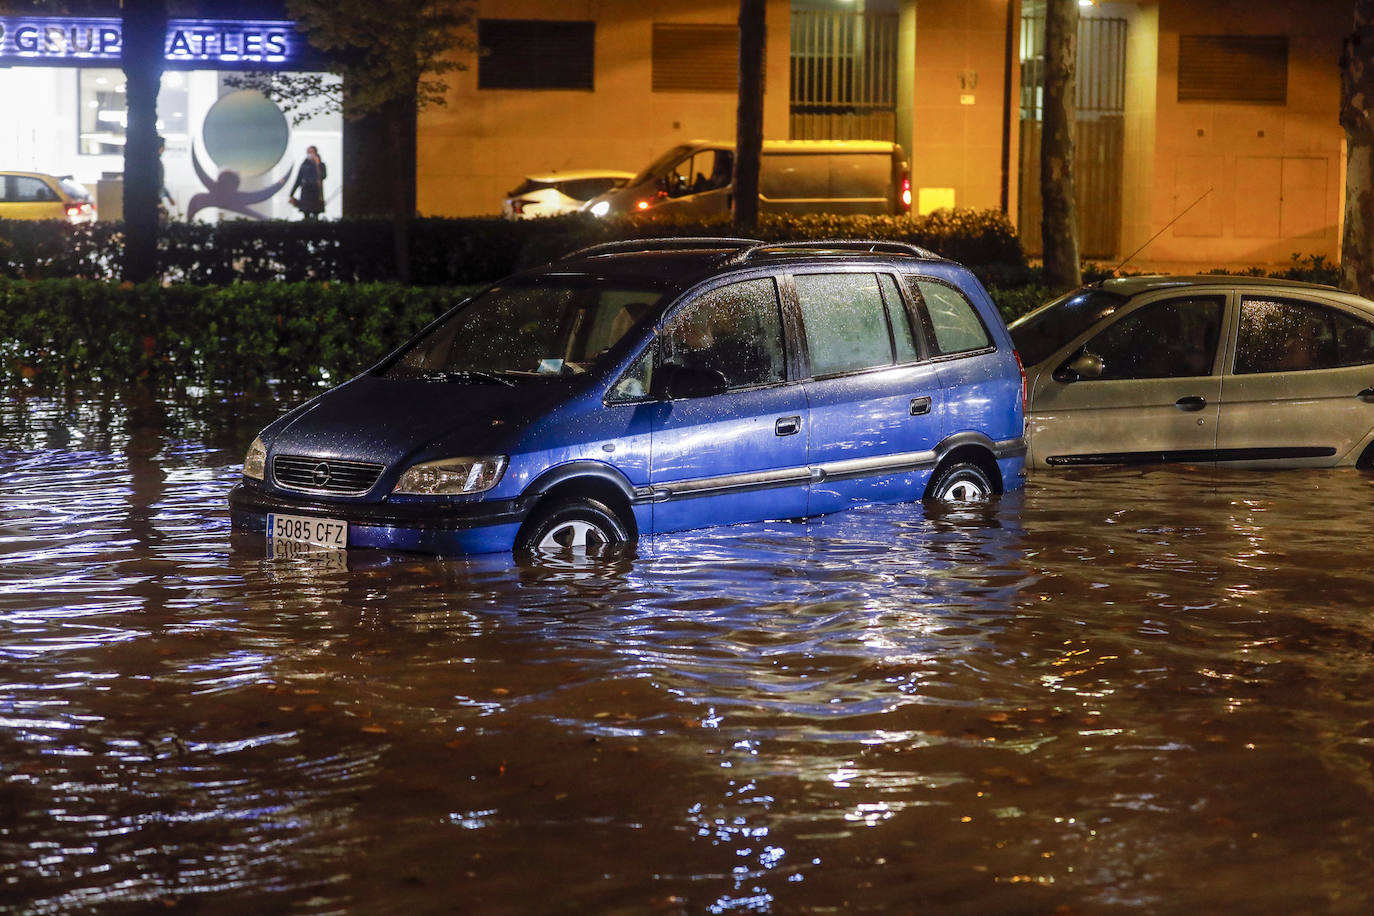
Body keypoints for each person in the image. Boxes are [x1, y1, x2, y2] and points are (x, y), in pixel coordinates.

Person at [290, 146, 326, 219]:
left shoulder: (321, 165)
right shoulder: (304, 165)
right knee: (306, 213)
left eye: (312, 152)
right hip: (306, 192)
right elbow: (298, 180)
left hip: (316, 192)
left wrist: (317, 164)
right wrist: (292, 194)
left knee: (316, 214)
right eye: (309, 152)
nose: (310, 154)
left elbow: (323, 176)